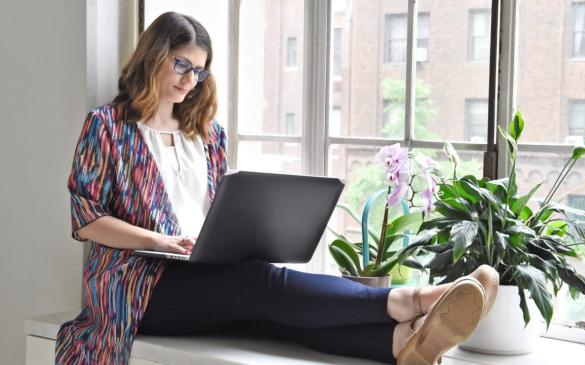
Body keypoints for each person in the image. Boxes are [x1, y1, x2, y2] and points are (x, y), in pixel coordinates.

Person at [55, 12, 499, 365]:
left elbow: (216, 211)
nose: (190, 80)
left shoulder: (207, 135)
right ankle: (410, 300)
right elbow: (87, 219)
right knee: (256, 285)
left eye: (200, 72)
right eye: (181, 65)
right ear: (154, 56)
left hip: (201, 271)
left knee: (265, 311)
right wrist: (159, 240)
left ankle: (400, 342)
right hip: (136, 286)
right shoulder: (108, 127)